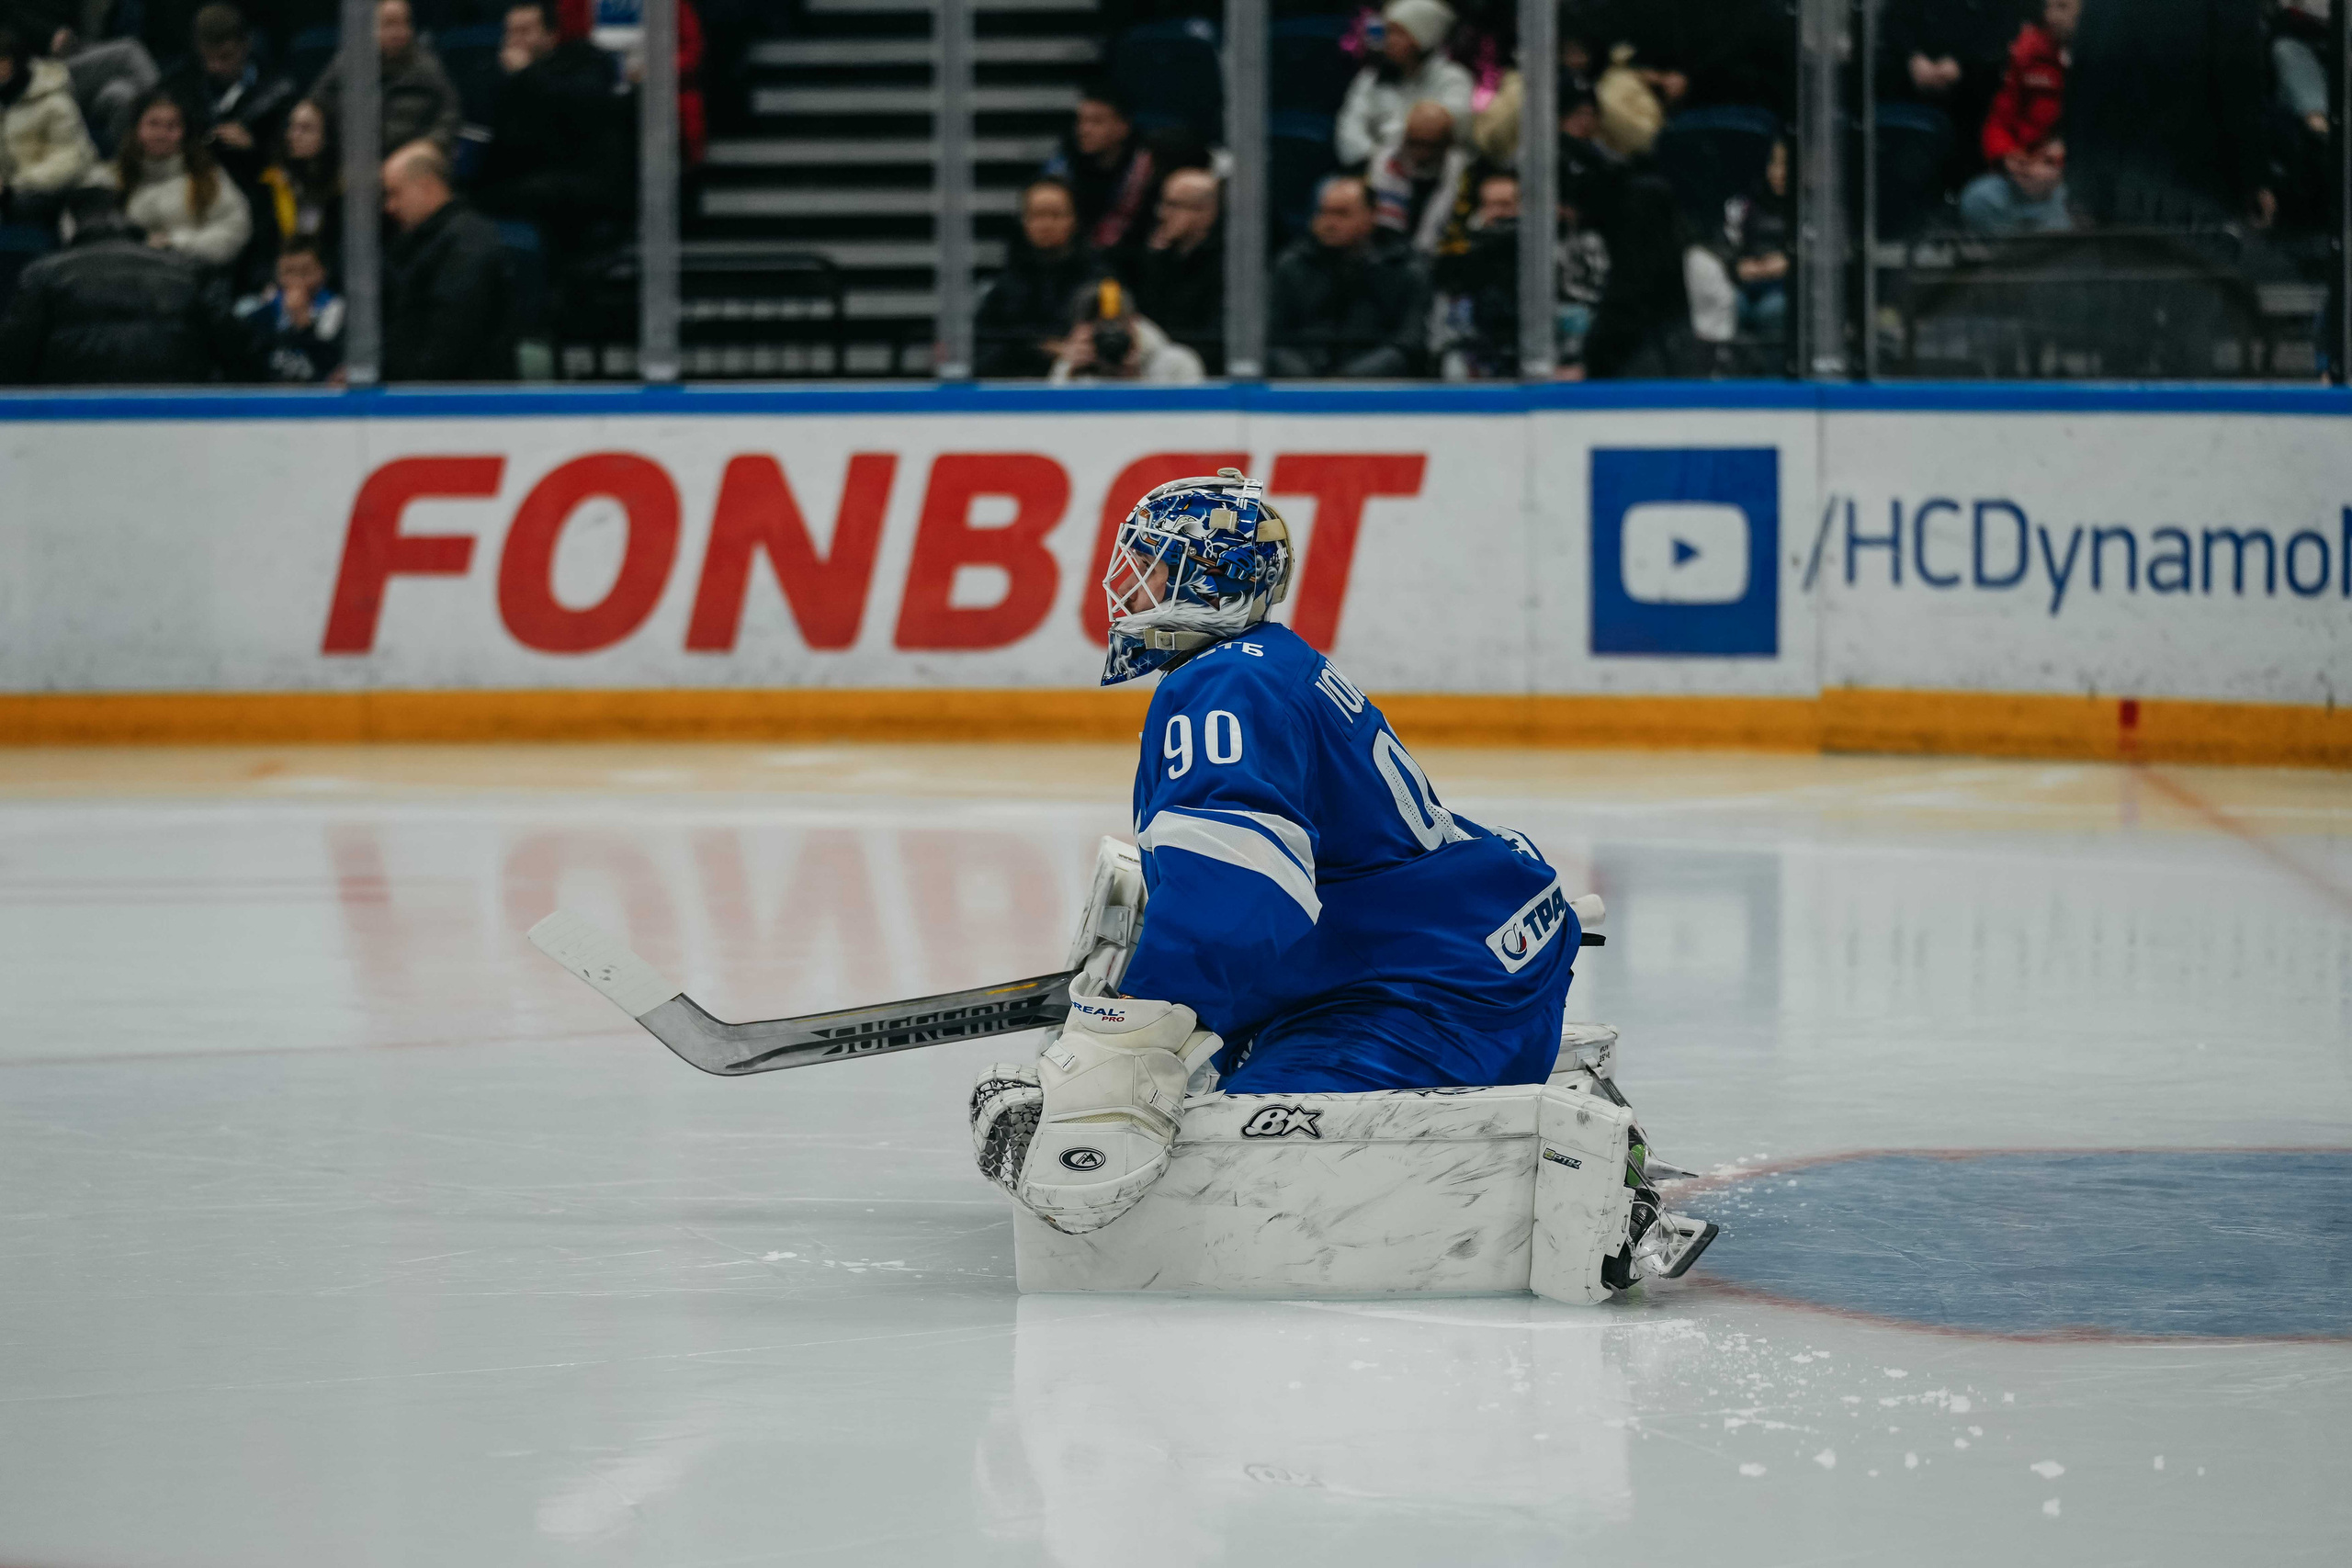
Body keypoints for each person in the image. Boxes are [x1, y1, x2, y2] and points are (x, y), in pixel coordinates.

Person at [966, 467, 1717, 1289]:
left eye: (1153, 562)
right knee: (1206, 1062)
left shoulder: (1222, 684)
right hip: (1482, 952)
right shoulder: (1271, 661)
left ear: (1208, 580)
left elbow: (1238, 906)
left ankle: (1605, 1200)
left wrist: (1120, 1034)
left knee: (1217, 1141)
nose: (1129, 584)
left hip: (1429, 998)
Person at [0, 185, 255, 381]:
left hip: (74, 423)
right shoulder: (188, 271)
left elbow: (12, 359)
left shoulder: (43, 275)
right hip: (176, 418)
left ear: (69, 225)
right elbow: (238, 352)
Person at [2067, 0, 2272, 228]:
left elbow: (2084, 81)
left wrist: (2080, 185)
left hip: (2115, 177)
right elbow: (2238, 85)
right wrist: (2254, 179)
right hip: (2196, 179)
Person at [472, 1, 628, 265]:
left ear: (551, 34)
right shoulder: (498, 73)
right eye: (511, 32)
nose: (516, 41)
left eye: (525, 31)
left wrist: (526, 75)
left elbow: (573, 112)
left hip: (576, 179)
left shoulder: (586, 62)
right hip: (522, 179)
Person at [1266, 175, 1430, 378]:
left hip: (1376, 392)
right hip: (1301, 387)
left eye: (1342, 214)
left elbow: (1409, 341)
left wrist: (1348, 379)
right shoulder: (1292, 264)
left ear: (1371, 216)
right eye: (1324, 212)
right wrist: (1305, 380)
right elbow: (1272, 335)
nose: (1329, 223)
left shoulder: (1404, 268)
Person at [379, 139, 513, 380]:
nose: (390, 206)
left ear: (426, 187)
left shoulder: (468, 244)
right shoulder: (417, 242)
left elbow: (449, 344)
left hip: (459, 406)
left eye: (395, 193)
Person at [87, 86, 252, 268]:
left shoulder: (208, 176)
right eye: (153, 124)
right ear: (136, 128)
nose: (161, 134)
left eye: (172, 126)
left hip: (189, 275)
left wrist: (177, 244)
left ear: (185, 133)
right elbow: (82, 224)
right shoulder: (107, 178)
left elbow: (235, 228)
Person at [157, 5, 293, 199]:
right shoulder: (179, 87)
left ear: (246, 44)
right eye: (208, 58)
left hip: (251, 192)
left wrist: (253, 148)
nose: (215, 67)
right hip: (186, 188)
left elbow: (289, 160)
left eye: (226, 56)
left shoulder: (278, 92)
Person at [973, 176, 1102, 378]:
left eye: (1056, 215)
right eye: (1037, 215)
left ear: (1074, 219)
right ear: (1024, 221)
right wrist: (1045, 349)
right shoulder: (1005, 287)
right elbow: (984, 350)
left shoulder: (1098, 278)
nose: (1046, 224)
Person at [309, 0, 460, 154]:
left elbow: (450, 113)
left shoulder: (426, 67)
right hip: (357, 157)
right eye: (389, 24)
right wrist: (308, 113)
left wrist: (431, 145)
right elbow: (317, 100)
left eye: (405, 23)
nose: (398, 32)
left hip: (411, 155)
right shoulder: (351, 62)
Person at [1335, 0, 1474, 169]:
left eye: (1398, 33)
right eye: (1387, 31)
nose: (1388, 40)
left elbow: (1443, 136)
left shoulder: (1454, 79)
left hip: (1438, 175)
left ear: (1423, 38)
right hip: (1375, 171)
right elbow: (1348, 133)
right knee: (1337, 192)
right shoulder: (1371, 78)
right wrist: (1381, 161)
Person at [1120, 165, 1221, 370]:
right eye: (1163, 204)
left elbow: (1217, 338)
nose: (1163, 214)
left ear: (1206, 212)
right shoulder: (1154, 258)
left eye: (1173, 205)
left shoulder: (1228, 263)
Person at [0, 20, 97, 227]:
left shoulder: (55, 102)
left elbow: (69, 161)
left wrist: (13, 186)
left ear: (13, 62)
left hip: (64, 189)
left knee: (22, 203)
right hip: (16, 190)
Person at [1039, 82, 1154, 253]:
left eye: (1096, 121)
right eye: (1081, 121)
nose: (1084, 130)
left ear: (1124, 127)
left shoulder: (1147, 170)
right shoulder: (1062, 167)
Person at [1367, 98, 1475, 254]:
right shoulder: (1384, 162)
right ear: (1405, 138)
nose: (1422, 154)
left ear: (1448, 143)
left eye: (1431, 145)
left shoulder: (1464, 173)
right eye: (1415, 143)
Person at [1048, 276, 1203, 383]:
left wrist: (1135, 381)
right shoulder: (1073, 366)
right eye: (1098, 326)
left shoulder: (1175, 364)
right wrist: (1070, 376)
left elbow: (1192, 424)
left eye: (1117, 323)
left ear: (1135, 321)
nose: (1110, 334)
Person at [233, 231, 342, 380]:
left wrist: (303, 324)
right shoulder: (261, 315)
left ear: (322, 272)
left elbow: (332, 367)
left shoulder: (339, 310)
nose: (297, 281)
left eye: (305, 272)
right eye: (288, 272)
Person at [256, 97, 339, 272]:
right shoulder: (273, 182)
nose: (293, 135)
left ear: (328, 135)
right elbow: (261, 251)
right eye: (292, 126)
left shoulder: (344, 190)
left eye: (306, 129)